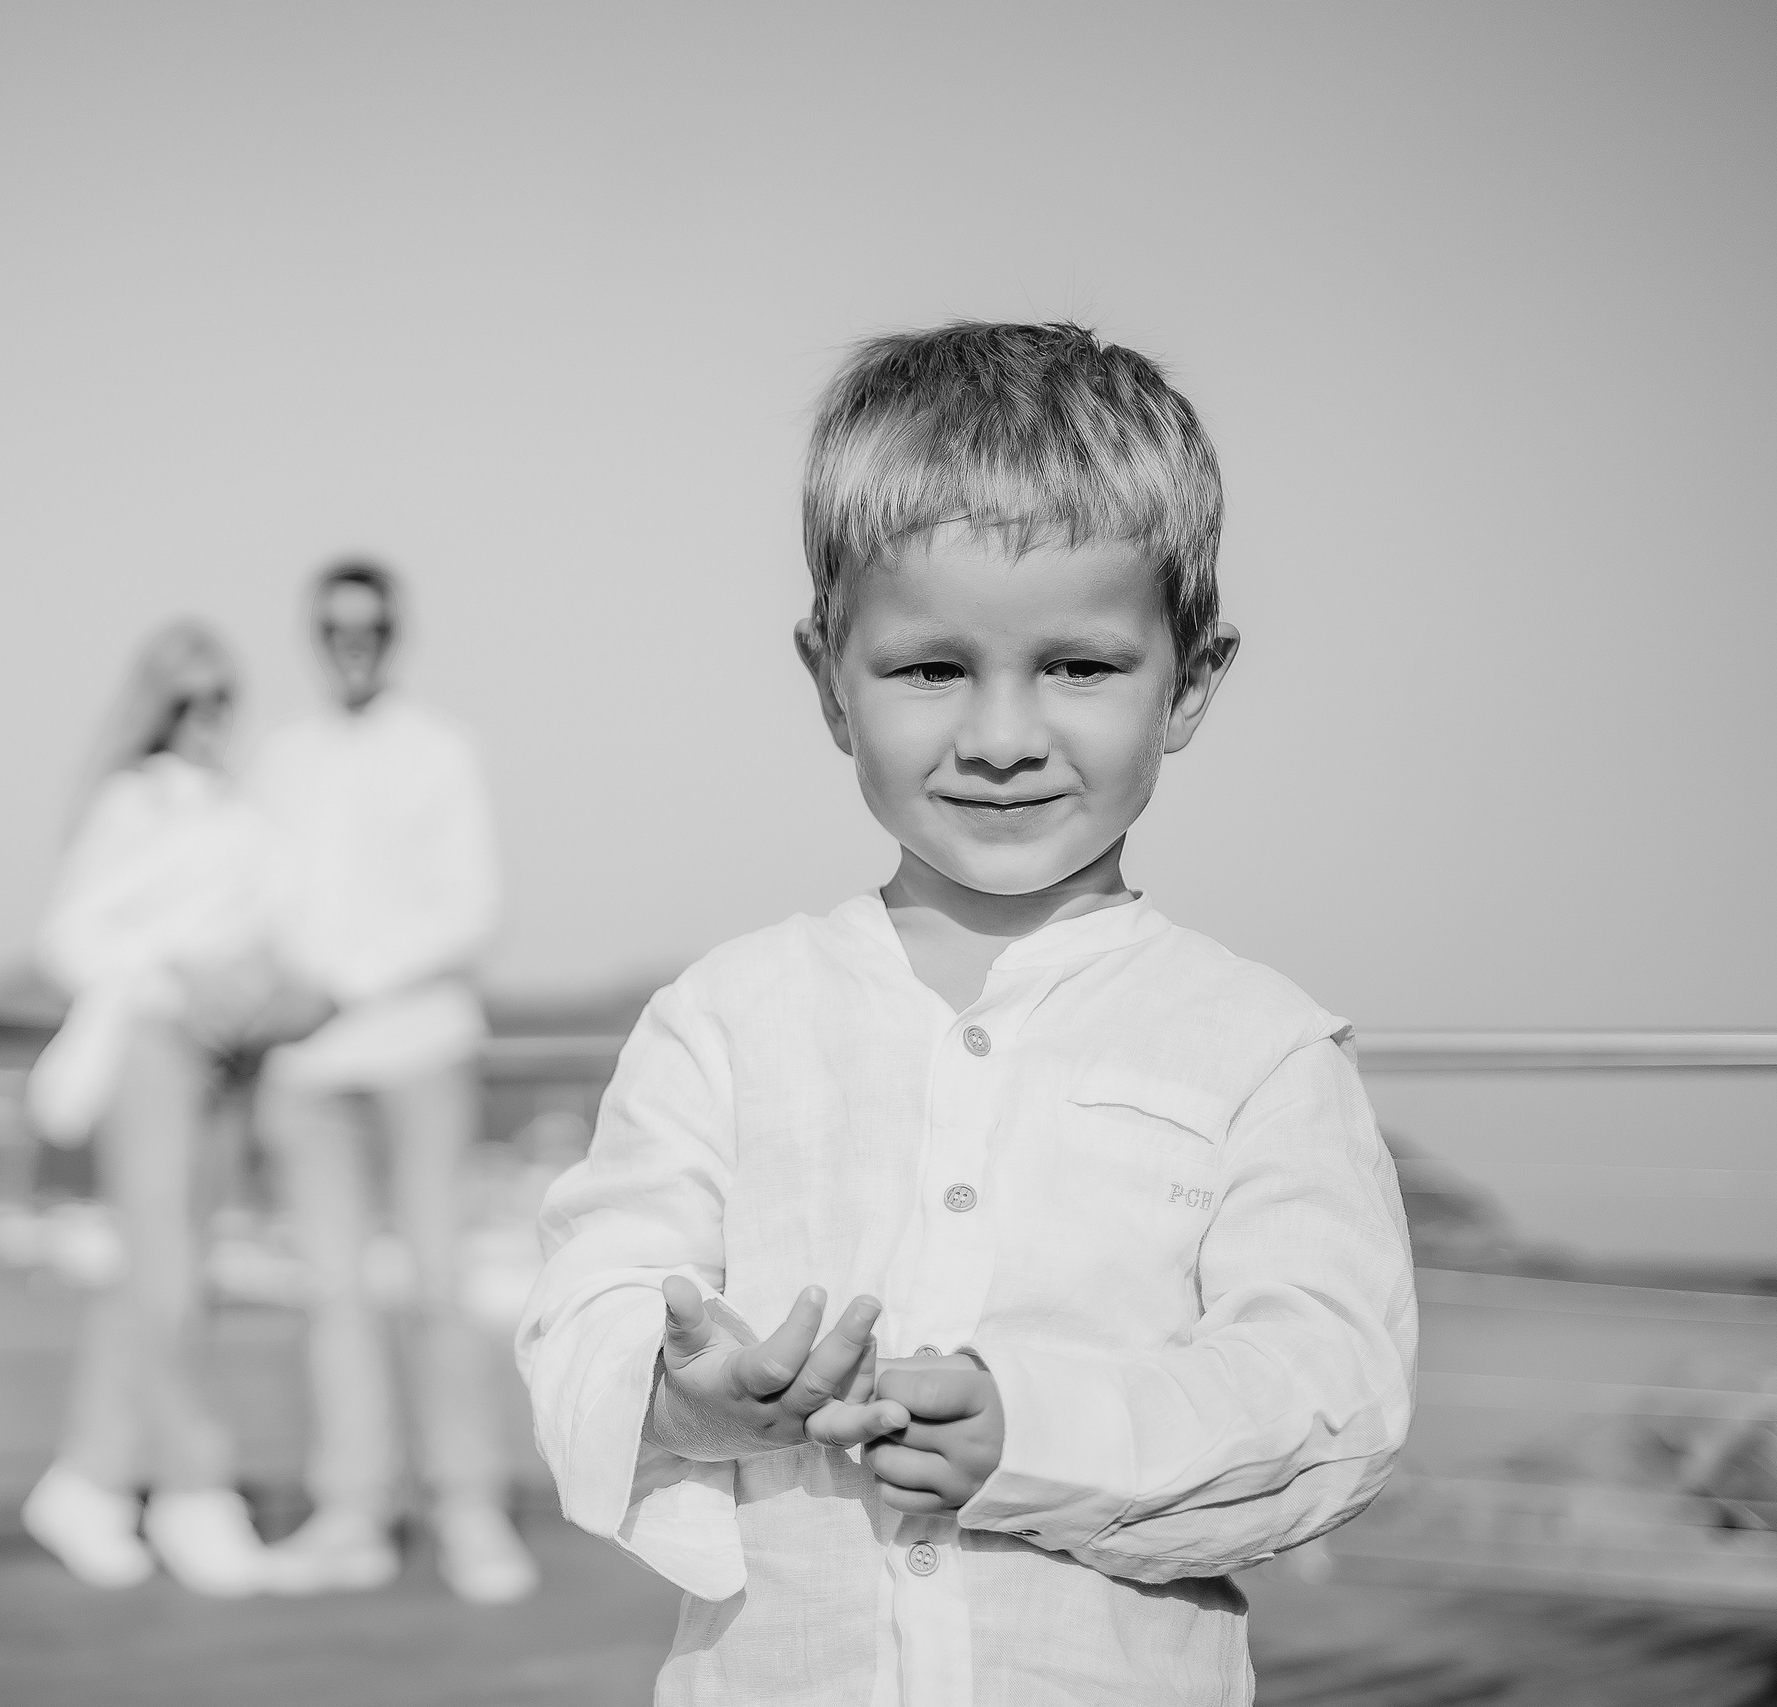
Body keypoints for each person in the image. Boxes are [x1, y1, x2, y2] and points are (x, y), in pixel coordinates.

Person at [518, 323, 1417, 1703]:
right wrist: (674, 1397)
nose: (1001, 737)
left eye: (1080, 666)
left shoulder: (1260, 1048)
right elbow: (587, 1300)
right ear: (828, 679)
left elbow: (1331, 1394)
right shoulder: (725, 1017)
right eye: (931, 668)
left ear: (1191, 680)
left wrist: (1038, 1434)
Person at [247, 561, 539, 1605]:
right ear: (313, 636)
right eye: (334, 628)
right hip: (306, 1067)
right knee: (330, 1297)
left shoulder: (442, 750)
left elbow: (472, 909)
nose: (352, 645)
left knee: (436, 1285)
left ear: (395, 634)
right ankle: (352, 1513)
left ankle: (468, 1508)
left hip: (419, 1049)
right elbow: (257, 901)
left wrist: (341, 986)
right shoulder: (277, 759)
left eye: (368, 627)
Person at [19, 620, 327, 1597]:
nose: (207, 719)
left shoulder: (242, 812)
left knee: (170, 1274)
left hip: (228, 1058)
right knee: (166, 1280)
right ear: (158, 705)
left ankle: (88, 1481)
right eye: (189, 700)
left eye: (221, 699)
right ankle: (195, 1493)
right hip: (151, 1046)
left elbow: (280, 925)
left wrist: (262, 989)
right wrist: (172, 976)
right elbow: (69, 938)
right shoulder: (131, 803)